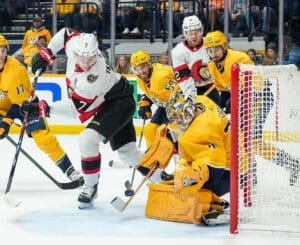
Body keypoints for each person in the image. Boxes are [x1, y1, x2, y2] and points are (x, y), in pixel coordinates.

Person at [30, 28, 171, 209]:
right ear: (76, 52)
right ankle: (163, 179)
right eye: (84, 56)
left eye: (91, 57)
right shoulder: (75, 45)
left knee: (87, 139)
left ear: (96, 53)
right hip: (116, 96)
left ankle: (90, 187)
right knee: (127, 152)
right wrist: (47, 52)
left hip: (118, 101)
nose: (87, 61)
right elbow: (65, 33)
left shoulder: (92, 78)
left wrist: (45, 109)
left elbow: (74, 111)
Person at [0, 34, 83, 186]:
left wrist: (5, 122)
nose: (0, 54)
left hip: (26, 105)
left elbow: (19, 104)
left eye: (3, 50)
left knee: (44, 139)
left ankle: (70, 170)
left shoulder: (15, 71)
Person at [145, 91, 230, 225]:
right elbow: (183, 124)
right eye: (174, 118)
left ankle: (209, 203)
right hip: (235, 156)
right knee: (182, 177)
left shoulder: (201, 131)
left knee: (188, 184)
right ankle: (216, 201)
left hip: (231, 172)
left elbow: (215, 166)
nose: (176, 122)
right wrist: (170, 136)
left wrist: (193, 179)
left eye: (178, 118)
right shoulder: (202, 101)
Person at [130, 50, 180, 148]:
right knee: (150, 130)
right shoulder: (140, 78)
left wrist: (171, 119)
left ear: (149, 64)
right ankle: (153, 160)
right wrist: (146, 100)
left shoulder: (161, 77)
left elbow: (179, 93)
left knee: (174, 135)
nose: (140, 72)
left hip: (179, 107)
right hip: (165, 107)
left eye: (143, 67)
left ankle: (183, 159)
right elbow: (154, 91)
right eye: (137, 69)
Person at [171, 15, 219, 105]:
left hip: (213, 87)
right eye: (190, 34)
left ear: (201, 31)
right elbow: (183, 78)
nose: (194, 36)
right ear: (185, 33)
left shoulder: (210, 43)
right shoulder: (177, 51)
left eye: (196, 33)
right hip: (192, 89)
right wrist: (190, 96)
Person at [203, 30, 254, 113]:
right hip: (233, 91)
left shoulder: (238, 58)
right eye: (210, 51)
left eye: (216, 50)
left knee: (229, 107)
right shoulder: (211, 64)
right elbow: (222, 88)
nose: (213, 55)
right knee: (220, 110)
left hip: (256, 92)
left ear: (224, 47)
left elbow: (250, 79)